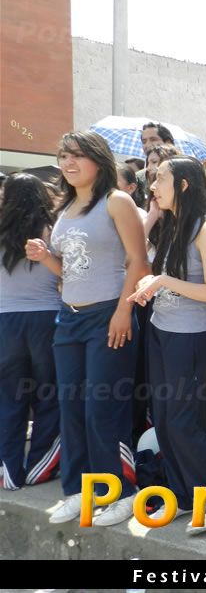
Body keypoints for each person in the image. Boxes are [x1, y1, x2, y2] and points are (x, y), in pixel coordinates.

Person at [26, 131, 149, 526]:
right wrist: (45, 257)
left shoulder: (116, 201)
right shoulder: (64, 208)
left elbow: (139, 261)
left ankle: (121, 492)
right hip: (69, 318)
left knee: (102, 409)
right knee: (72, 408)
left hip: (108, 315)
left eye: (77, 155)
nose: (68, 163)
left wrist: (124, 311)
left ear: (99, 159)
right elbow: (69, 270)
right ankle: (80, 491)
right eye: (64, 156)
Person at [128, 155, 206, 535]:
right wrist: (150, 285)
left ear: (183, 185)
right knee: (165, 418)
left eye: (160, 180)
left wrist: (163, 282)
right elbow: (157, 271)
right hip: (160, 329)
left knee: (183, 421)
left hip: (189, 336)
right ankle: (184, 495)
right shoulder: (171, 223)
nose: (152, 186)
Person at [0, 173, 61, 491]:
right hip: (48, 319)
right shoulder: (54, 229)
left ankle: (9, 469)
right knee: (48, 394)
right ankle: (40, 465)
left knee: (10, 396)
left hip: (6, 321)